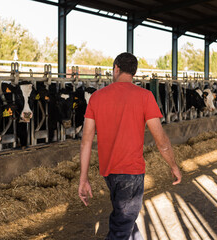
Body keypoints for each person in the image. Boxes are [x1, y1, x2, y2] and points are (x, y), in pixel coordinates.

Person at [78, 52, 182, 240]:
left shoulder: (96, 97)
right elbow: (162, 141)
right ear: (134, 72)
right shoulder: (145, 96)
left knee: (126, 220)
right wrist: (173, 166)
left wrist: (83, 178)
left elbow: (86, 142)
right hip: (132, 173)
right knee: (121, 228)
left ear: (116, 68)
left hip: (109, 172)